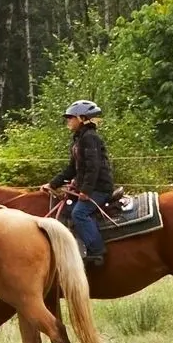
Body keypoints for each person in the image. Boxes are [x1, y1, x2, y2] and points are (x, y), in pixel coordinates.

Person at [51, 100, 114, 267]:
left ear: (82, 118)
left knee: (79, 213)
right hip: (90, 187)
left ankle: (96, 251)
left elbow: (93, 168)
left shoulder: (90, 138)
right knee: (67, 210)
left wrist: (86, 190)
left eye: (71, 117)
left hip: (99, 188)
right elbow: (72, 168)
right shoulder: (79, 139)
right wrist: (53, 184)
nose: (68, 121)